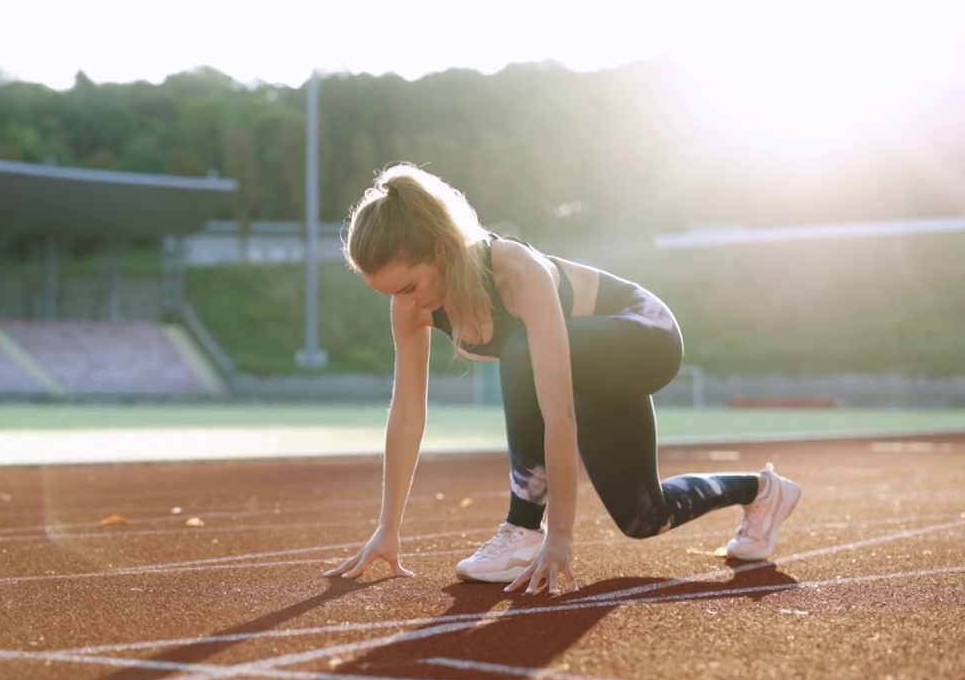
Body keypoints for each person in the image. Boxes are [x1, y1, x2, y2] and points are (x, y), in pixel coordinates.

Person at [323, 163, 801, 595]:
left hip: (644, 336)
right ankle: (762, 491)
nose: (407, 304)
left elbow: (558, 412)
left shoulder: (514, 271)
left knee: (519, 351)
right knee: (643, 518)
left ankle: (520, 531)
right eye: (390, 293)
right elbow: (407, 414)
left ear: (444, 250)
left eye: (409, 287)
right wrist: (388, 527)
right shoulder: (410, 307)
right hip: (587, 370)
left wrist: (557, 536)